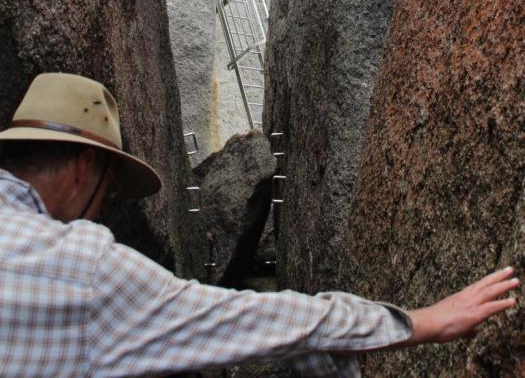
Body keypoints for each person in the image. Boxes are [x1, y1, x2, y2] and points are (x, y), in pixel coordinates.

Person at [0, 73, 519, 377]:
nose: (103, 206)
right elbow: (254, 321)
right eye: (110, 188)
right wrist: (422, 323)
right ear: (84, 169)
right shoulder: (82, 270)